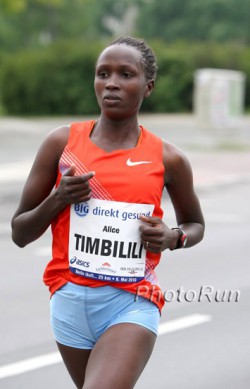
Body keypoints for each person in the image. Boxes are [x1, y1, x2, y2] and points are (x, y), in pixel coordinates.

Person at [11, 36, 205, 389]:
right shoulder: (62, 144)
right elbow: (20, 233)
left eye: (125, 74)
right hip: (68, 302)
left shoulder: (167, 158)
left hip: (131, 302)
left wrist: (173, 237)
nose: (112, 83)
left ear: (148, 87)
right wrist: (58, 199)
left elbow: (196, 224)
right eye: (103, 73)